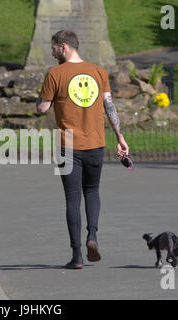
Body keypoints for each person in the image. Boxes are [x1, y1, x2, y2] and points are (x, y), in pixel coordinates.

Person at [36, 30, 130, 269]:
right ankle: (93, 236)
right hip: (96, 144)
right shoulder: (99, 72)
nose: (52, 52)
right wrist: (120, 137)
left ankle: (77, 256)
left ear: (64, 47)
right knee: (92, 191)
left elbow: (42, 109)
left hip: (69, 146)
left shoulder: (55, 73)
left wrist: (42, 99)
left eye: (54, 47)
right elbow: (109, 107)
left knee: (72, 198)